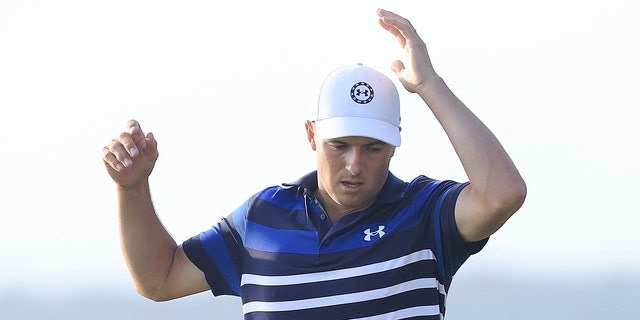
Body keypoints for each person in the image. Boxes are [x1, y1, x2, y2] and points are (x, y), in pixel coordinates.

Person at [102, 8, 526, 320]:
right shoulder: (262, 218)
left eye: (373, 148)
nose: (355, 165)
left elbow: (502, 194)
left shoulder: (424, 213)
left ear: (395, 145)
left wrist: (430, 85)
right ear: (311, 136)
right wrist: (131, 188)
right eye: (339, 145)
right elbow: (159, 279)